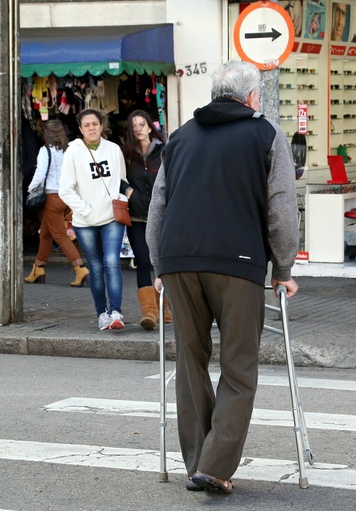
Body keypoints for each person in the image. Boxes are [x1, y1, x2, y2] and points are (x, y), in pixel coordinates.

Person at [146, 60, 299, 494]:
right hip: (238, 260)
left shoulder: (179, 138)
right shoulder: (266, 133)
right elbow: (282, 207)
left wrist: (159, 264)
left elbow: (159, 205)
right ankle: (213, 467)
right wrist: (283, 269)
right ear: (253, 97)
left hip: (178, 258)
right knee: (239, 365)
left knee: (190, 359)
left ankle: (198, 460)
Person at [58, 109, 129, 331]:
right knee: (96, 267)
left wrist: (119, 198)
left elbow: (121, 180)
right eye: (86, 125)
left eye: (95, 124)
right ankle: (102, 313)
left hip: (111, 217)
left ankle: (116, 312)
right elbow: (65, 190)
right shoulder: (73, 153)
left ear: (101, 126)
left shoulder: (114, 149)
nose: (91, 128)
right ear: (80, 129)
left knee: (111, 263)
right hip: (84, 221)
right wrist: (85, 210)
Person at [24, 120, 90, 287]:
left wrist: (30, 188)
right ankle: (38, 267)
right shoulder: (69, 150)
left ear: (46, 135)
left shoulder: (45, 151)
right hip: (67, 197)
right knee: (45, 234)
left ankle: (80, 268)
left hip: (53, 198)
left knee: (60, 236)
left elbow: (39, 174)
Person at [121, 110, 168, 330]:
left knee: (165, 261)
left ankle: (166, 308)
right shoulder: (126, 154)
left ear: (150, 127)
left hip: (162, 216)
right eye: (134, 125)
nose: (138, 128)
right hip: (138, 216)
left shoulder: (163, 151)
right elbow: (118, 179)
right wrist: (130, 192)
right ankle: (149, 312)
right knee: (143, 260)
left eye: (142, 124)